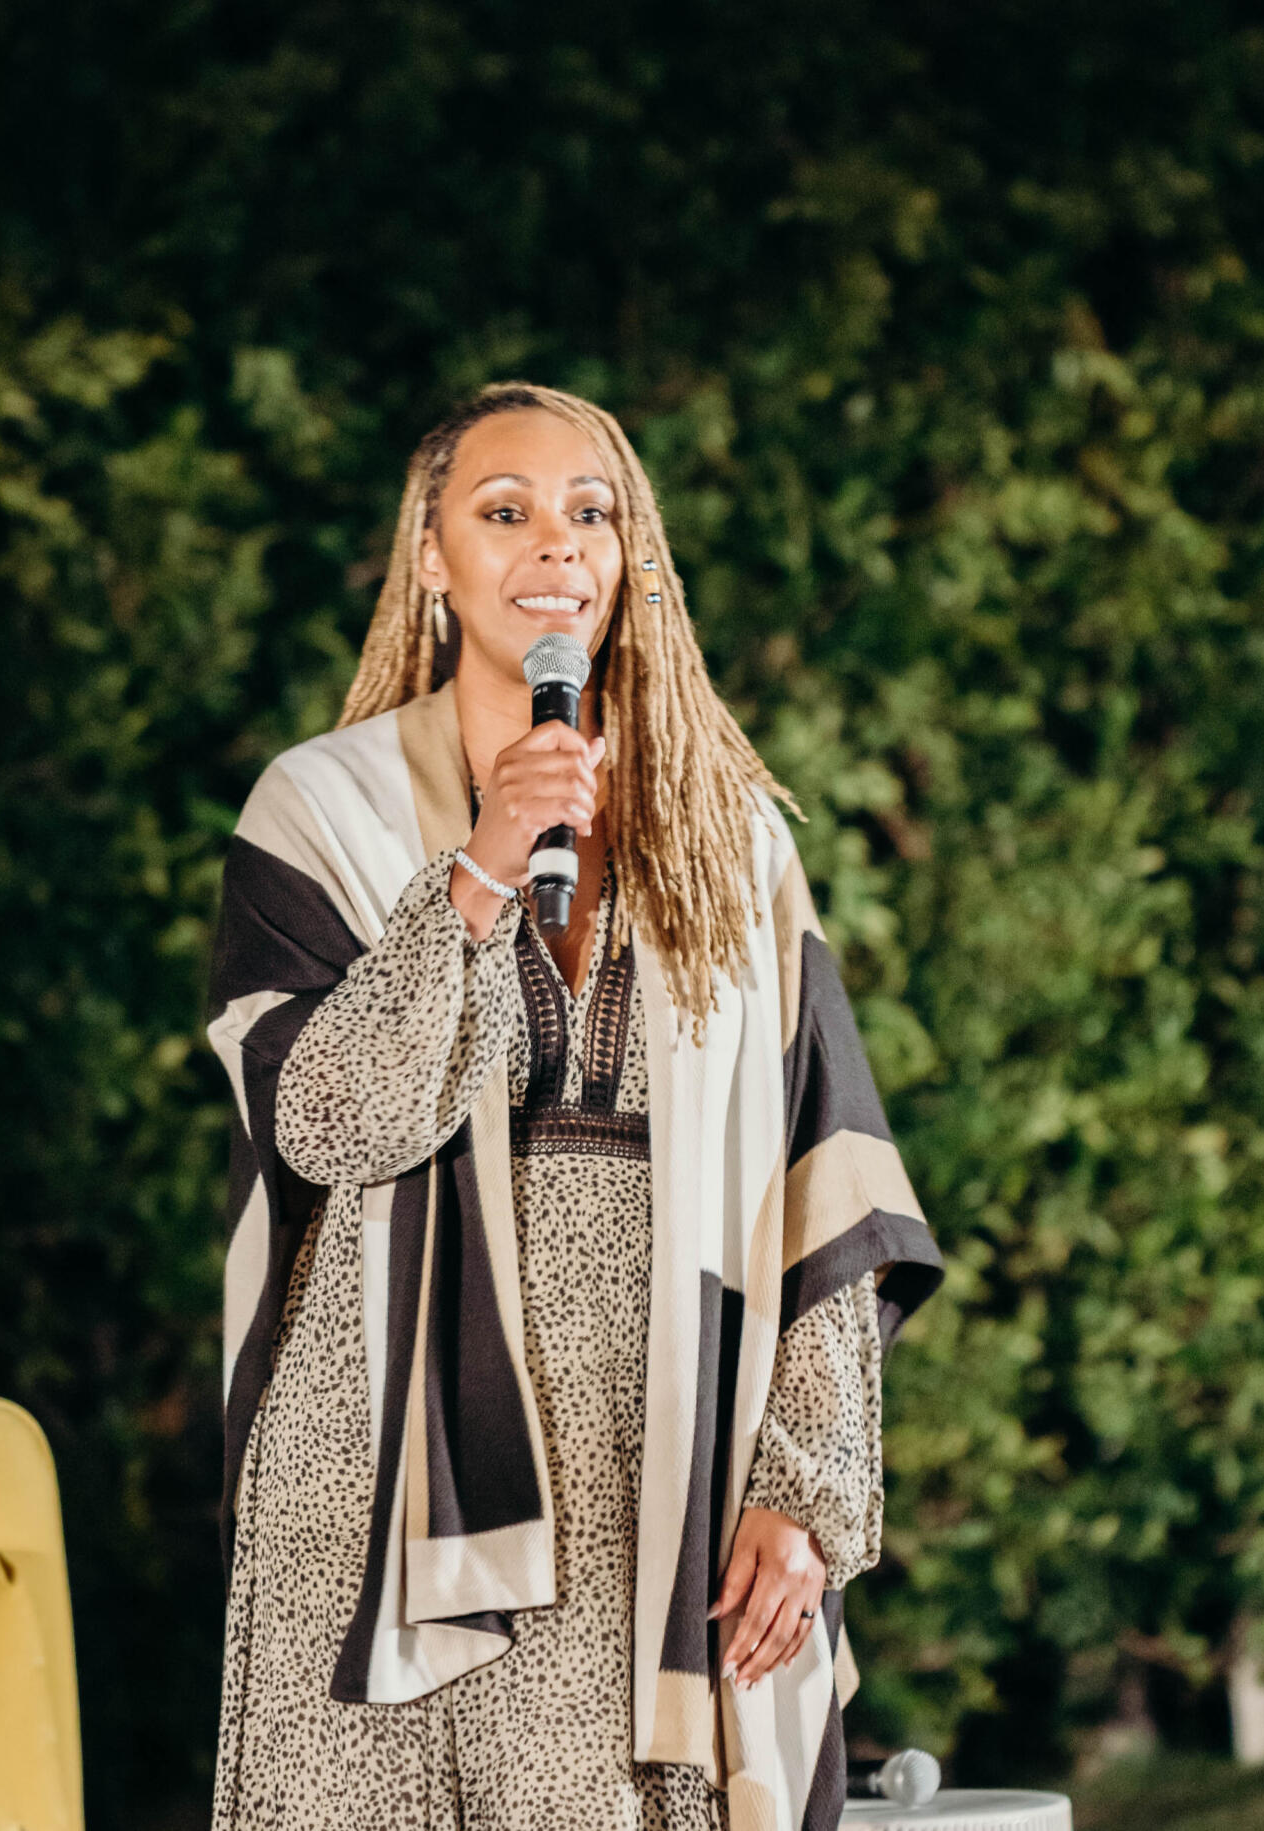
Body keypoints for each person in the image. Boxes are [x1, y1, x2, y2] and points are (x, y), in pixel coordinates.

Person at [205, 383, 943, 1830]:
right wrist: (482, 868)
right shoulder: (320, 809)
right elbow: (332, 1124)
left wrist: (803, 1489)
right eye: (506, 511)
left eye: (590, 513)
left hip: (653, 1483)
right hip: (379, 1491)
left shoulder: (729, 841)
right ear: (431, 557)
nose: (556, 544)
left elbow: (829, 1183)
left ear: (630, 557)